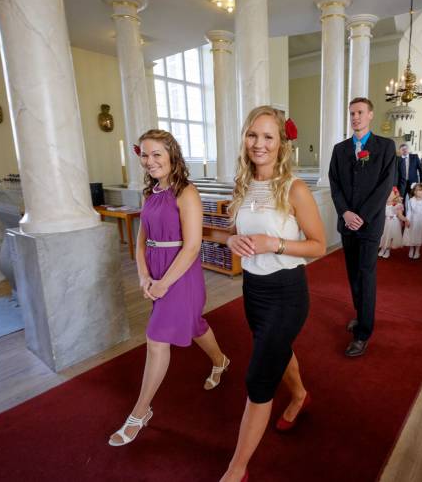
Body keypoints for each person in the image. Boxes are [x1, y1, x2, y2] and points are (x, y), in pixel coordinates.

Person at [221, 106, 326, 482]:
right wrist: (232, 240)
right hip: (254, 291)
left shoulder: (295, 188)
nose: (259, 144)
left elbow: (318, 245)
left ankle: (237, 469)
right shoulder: (242, 184)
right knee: (278, 352)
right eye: (253, 135)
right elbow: (234, 232)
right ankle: (299, 395)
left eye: (268, 136)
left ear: (282, 143)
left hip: (287, 294)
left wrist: (275, 243)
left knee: (258, 379)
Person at [108, 130, 230, 447]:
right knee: (195, 325)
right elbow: (141, 241)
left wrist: (163, 283)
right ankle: (220, 360)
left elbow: (192, 247)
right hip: (156, 273)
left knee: (156, 339)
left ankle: (140, 412)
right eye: (145, 155)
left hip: (181, 276)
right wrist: (143, 276)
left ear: (172, 155)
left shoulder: (186, 193)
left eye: (157, 154)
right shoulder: (150, 194)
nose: (150, 161)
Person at [329, 97, 396, 358]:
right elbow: (335, 184)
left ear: (370, 115)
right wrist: (345, 212)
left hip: (369, 224)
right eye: (352, 113)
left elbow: (385, 185)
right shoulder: (340, 149)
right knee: (353, 274)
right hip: (347, 223)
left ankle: (363, 333)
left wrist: (362, 216)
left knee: (366, 275)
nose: (355, 117)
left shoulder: (385, 146)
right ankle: (361, 315)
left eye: (359, 112)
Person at [402, 183, 422, 259]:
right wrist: (407, 220)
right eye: (420, 190)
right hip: (413, 219)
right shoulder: (411, 200)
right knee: (412, 234)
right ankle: (411, 248)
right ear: (415, 192)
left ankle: (417, 250)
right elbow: (409, 211)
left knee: (419, 234)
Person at [378, 187, 405, 259]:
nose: (388, 196)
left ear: (395, 195)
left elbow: (400, 215)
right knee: (383, 236)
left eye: (390, 194)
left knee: (390, 236)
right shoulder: (383, 204)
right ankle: (383, 248)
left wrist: (405, 220)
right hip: (384, 222)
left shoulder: (397, 205)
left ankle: (387, 250)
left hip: (393, 223)